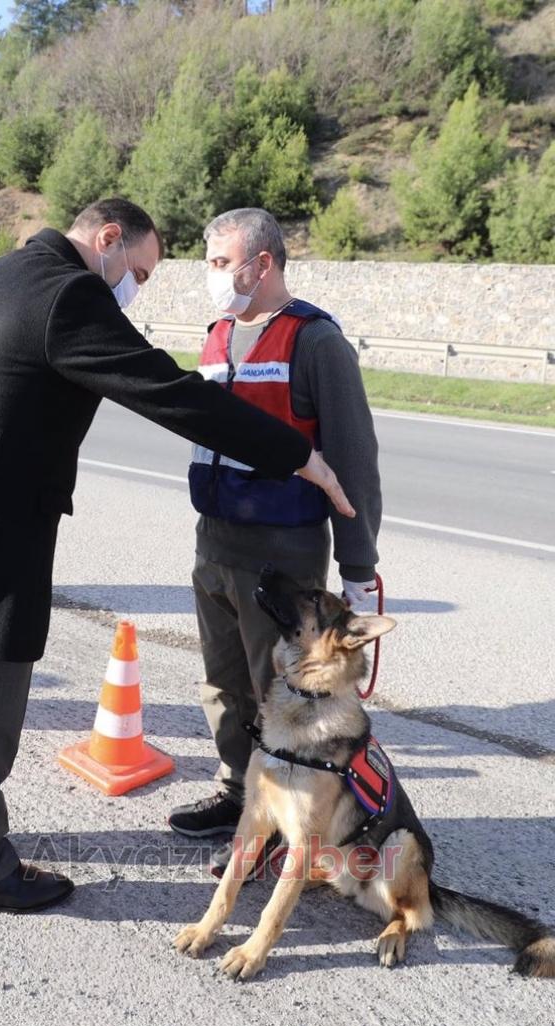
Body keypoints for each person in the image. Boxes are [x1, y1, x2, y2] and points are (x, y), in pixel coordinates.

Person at [0, 197, 355, 915]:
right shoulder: (67, 294)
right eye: (136, 269)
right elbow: (170, 392)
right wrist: (297, 454)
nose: (133, 287)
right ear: (106, 239)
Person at [166, 208, 382, 877]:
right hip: (216, 542)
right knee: (222, 684)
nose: (211, 276)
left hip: (281, 550)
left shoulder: (315, 343)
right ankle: (239, 797)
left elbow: (352, 460)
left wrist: (358, 567)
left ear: (262, 264)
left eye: (219, 262)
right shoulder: (217, 334)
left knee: (280, 694)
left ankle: (287, 826)